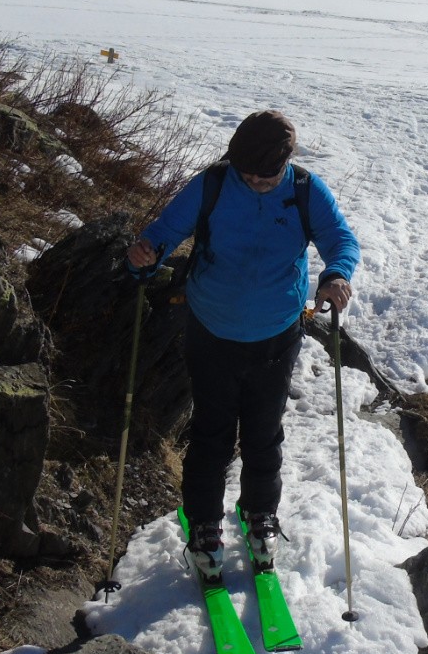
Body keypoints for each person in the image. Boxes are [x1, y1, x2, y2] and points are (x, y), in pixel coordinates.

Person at [127, 110, 359, 578]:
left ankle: (260, 513)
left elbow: (340, 239)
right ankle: (204, 524)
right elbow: (161, 234)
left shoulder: (304, 190)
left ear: (286, 162)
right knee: (211, 433)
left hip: (277, 333)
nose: (253, 181)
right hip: (211, 330)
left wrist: (336, 274)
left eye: (264, 175)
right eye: (245, 173)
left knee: (263, 433)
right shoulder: (213, 184)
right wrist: (144, 256)